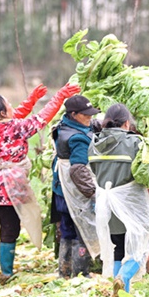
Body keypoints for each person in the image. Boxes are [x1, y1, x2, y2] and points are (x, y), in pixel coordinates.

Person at [0, 83, 81, 284]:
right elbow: (42, 118)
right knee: (9, 228)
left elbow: (17, 115)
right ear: (3, 112)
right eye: (8, 104)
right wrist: (60, 96)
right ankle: (6, 273)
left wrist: (31, 100)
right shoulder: (16, 128)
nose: (12, 106)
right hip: (8, 189)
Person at [88, 103, 149, 295]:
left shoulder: (94, 144)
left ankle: (121, 293)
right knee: (140, 243)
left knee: (118, 246)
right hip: (131, 203)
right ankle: (123, 277)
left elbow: (94, 172)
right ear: (126, 123)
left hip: (105, 205)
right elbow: (145, 174)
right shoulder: (135, 143)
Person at [50, 95, 101, 278]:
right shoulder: (78, 138)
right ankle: (81, 273)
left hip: (60, 190)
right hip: (74, 192)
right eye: (85, 115)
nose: (89, 118)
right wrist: (93, 194)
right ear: (74, 114)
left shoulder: (62, 127)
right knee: (82, 230)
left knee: (66, 230)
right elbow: (78, 170)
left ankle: (64, 272)